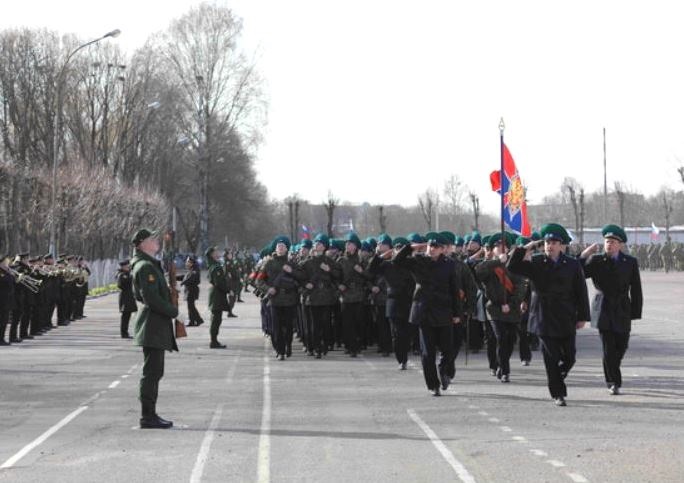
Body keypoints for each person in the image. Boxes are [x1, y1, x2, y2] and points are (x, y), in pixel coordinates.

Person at [508, 223, 590, 407]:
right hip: (543, 315)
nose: (549, 246)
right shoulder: (536, 262)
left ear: (562, 245)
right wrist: (527, 247)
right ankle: (558, 393)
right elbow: (512, 266)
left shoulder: (572, 264)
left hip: (566, 315)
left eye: (554, 242)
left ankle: (558, 375)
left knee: (570, 357)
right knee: (551, 356)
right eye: (546, 242)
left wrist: (582, 316)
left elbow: (581, 291)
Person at [393, 233, 462, 396]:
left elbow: (454, 289)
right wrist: (410, 247)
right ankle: (433, 385)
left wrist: (457, 312)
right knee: (427, 352)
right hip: (424, 311)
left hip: (444, 310)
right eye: (430, 246)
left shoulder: (449, 264)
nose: (432, 249)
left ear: (442, 250)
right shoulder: (418, 261)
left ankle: (444, 372)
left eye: (436, 247)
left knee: (448, 349)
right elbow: (396, 261)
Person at [579, 224, 643, 395]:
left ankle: (612, 370)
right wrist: (584, 255)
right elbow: (577, 274)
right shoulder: (597, 260)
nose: (609, 244)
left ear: (620, 244)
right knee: (608, 348)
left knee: (621, 345)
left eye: (613, 241)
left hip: (622, 308)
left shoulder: (629, 262)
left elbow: (636, 288)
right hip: (603, 307)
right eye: (607, 241)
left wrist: (635, 311)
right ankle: (613, 382)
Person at [130, 228, 178, 429]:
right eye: (152, 239)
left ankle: (150, 414)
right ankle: (147, 416)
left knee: (155, 371)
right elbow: (150, 298)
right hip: (153, 325)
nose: (156, 241)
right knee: (151, 372)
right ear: (142, 243)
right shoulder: (145, 267)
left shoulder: (149, 265)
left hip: (156, 324)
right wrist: (173, 311)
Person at [474, 232, 526, 383]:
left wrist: (510, 304)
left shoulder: (514, 265)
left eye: (503, 246)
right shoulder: (489, 265)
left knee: (510, 340)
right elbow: (478, 272)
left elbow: (520, 286)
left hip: (512, 309)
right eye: (497, 246)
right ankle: (504, 370)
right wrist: (497, 261)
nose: (499, 249)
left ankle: (501, 363)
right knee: (500, 337)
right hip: (494, 308)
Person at [368, 236, 416, 370]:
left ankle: (405, 354)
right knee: (396, 333)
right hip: (394, 303)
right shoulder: (387, 265)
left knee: (407, 333)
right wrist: (383, 255)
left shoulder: (412, 264)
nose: (399, 252)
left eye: (402, 249)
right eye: (396, 249)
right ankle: (401, 359)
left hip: (409, 302)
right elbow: (371, 269)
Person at [259, 236, 302, 360]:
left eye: (283, 247)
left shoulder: (292, 263)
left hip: (289, 299)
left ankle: (288, 345)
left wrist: (292, 271)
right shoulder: (269, 263)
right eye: (278, 246)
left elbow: (301, 277)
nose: (280, 248)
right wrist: (268, 289)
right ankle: (280, 351)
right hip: (275, 300)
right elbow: (259, 280)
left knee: (288, 327)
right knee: (276, 327)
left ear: (287, 249)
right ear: (275, 249)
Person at [206, 246, 229, 349]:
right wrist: (229, 290)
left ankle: (214, 340)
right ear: (212, 254)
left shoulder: (214, 265)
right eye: (215, 251)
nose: (218, 252)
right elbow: (219, 282)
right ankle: (213, 341)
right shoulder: (216, 267)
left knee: (216, 319)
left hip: (216, 295)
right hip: (217, 296)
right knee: (216, 320)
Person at [116, 260, 137, 339]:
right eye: (127, 266)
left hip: (129, 297)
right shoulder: (121, 275)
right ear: (123, 267)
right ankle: (123, 333)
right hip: (125, 297)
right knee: (125, 316)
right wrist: (129, 277)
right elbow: (120, 285)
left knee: (127, 315)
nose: (128, 267)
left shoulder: (127, 274)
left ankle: (125, 332)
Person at [180, 256, 204, 327]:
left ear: (191, 263)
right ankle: (193, 321)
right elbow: (184, 277)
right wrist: (174, 277)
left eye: (188, 262)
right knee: (191, 306)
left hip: (192, 290)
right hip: (189, 290)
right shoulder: (191, 269)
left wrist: (182, 283)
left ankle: (197, 320)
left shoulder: (195, 270)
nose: (186, 263)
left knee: (191, 306)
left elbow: (190, 279)